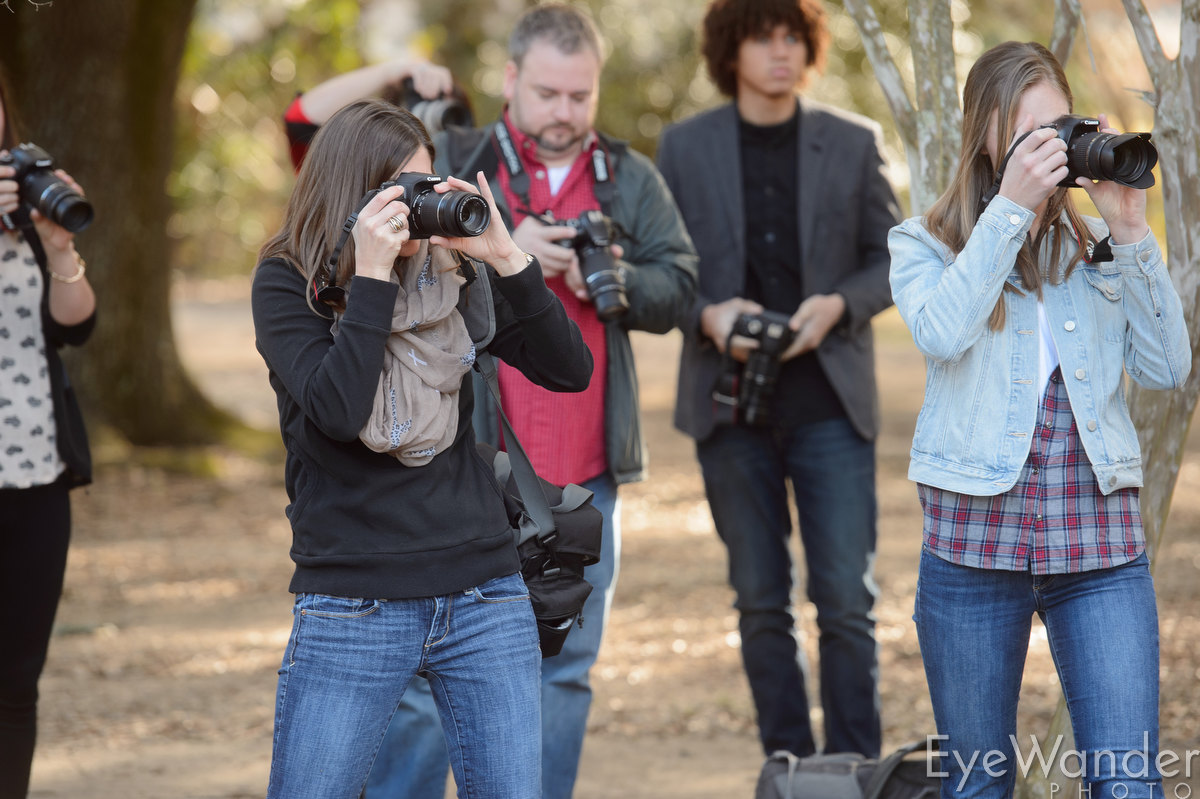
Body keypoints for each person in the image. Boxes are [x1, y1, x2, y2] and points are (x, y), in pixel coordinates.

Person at [363, 6, 698, 798]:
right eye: (548, 93)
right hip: (467, 461)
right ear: (511, 80)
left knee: (567, 666)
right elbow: (385, 262)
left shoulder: (630, 176)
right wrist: (509, 251)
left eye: (580, 96)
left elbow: (680, 285)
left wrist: (609, 278)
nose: (565, 113)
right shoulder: (455, 159)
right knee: (421, 671)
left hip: (584, 473)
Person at [251, 98, 592, 799]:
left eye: (426, 185)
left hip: (483, 588)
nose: (419, 207)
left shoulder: (455, 277)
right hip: (354, 596)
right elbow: (340, 411)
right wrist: (370, 277)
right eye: (400, 191)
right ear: (353, 195)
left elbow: (571, 370)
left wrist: (505, 253)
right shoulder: (291, 282)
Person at [888, 41, 1189, 799]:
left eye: (1062, 127)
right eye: (1032, 135)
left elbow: (1167, 367)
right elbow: (941, 332)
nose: (1054, 149)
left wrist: (1129, 229)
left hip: (1098, 546)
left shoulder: (1093, 247)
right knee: (979, 785)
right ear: (987, 137)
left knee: (1128, 785)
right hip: (971, 548)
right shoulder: (924, 244)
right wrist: (1011, 212)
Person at [656, 0, 899, 760]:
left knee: (847, 604)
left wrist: (839, 305)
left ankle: (856, 767)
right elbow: (659, 274)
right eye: (764, 37)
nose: (781, 51)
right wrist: (706, 316)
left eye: (794, 36)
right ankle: (788, 767)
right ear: (732, 49)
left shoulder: (854, 143)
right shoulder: (683, 147)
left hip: (829, 399)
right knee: (761, 603)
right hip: (729, 410)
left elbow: (894, 259)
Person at [0, 68, 97, 799]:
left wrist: (60, 248)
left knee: (15, 681)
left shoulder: (20, 205)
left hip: (32, 474)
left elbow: (76, 325)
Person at [283, 57, 465, 170]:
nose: (437, 124)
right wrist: (399, 68)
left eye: (448, 116)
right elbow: (299, 118)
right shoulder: (355, 170)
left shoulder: (465, 184)